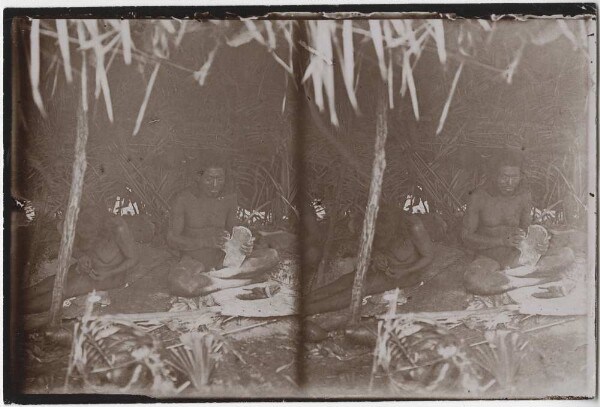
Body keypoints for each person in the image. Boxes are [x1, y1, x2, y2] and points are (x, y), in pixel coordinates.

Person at [461, 150, 575, 296]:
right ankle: (538, 281)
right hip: (489, 257)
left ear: (521, 176)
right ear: (494, 176)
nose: (509, 183)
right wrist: (501, 240)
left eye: (514, 177)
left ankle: (508, 277)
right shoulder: (478, 197)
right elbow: (465, 237)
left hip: (517, 256)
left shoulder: (523, 196)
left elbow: (527, 229)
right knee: (472, 281)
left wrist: (541, 242)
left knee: (567, 254)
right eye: (504, 177)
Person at [166, 157, 279, 297]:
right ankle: (246, 281)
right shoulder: (183, 199)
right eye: (209, 179)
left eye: (219, 179)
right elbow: (171, 240)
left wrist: (245, 247)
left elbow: (233, 234)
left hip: (222, 259)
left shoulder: (229, 199)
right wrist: (206, 241)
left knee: (272, 255)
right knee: (180, 284)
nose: (214, 185)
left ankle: (214, 277)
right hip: (194, 259)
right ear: (198, 177)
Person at [304, 206, 434, 315]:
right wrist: (377, 257)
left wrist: (405, 271)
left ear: (396, 229)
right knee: (347, 280)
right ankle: (305, 300)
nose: (384, 238)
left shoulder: (414, 228)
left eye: (387, 235)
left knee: (361, 288)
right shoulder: (377, 224)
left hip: (409, 272)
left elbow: (428, 256)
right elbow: (374, 248)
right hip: (384, 269)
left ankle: (308, 310)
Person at [24, 207, 139, 314]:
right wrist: (81, 257)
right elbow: (74, 248)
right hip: (86, 269)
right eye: (83, 234)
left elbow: (133, 258)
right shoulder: (82, 223)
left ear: (100, 228)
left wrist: (108, 273)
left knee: (63, 290)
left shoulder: (118, 229)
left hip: (110, 276)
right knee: (48, 283)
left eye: (90, 234)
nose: (87, 237)